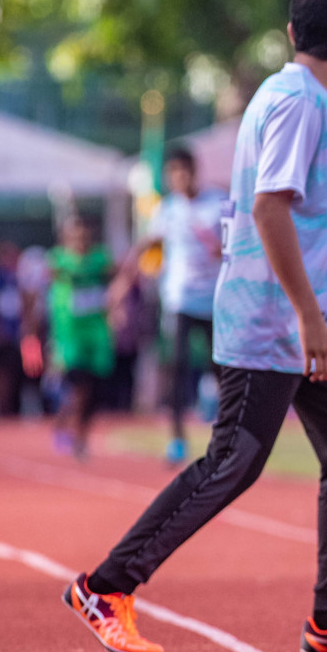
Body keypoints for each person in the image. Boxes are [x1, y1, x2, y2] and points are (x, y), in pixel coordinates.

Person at [63, 0, 327, 652]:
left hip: (307, 318)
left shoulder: (299, 97)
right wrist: (307, 320)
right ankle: (105, 587)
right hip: (272, 321)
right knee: (233, 462)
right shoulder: (298, 105)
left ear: (292, 34)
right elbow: (269, 209)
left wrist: (316, 319)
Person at [113, 145, 225, 462]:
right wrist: (122, 284)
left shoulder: (217, 202)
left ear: (194, 171)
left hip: (215, 299)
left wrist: (228, 250)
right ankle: (177, 438)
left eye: (183, 171)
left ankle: (227, 432)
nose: (178, 178)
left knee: (221, 367)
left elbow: (240, 239)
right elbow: (145, 245)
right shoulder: (167, 210)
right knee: (175, 364)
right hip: (180, 299)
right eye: (172, 173)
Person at [44, 216, 116, 459]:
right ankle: (74, 435)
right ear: (66, 239)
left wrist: (117, 303)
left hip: (97, 335)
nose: (80, 242)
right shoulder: (58, 261)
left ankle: (78, 432)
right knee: (79, 388)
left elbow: (120, 276)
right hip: (69, 336)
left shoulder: (100, 260)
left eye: (84, 237)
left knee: (93, 392)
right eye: (75, 237)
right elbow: (46, 281)